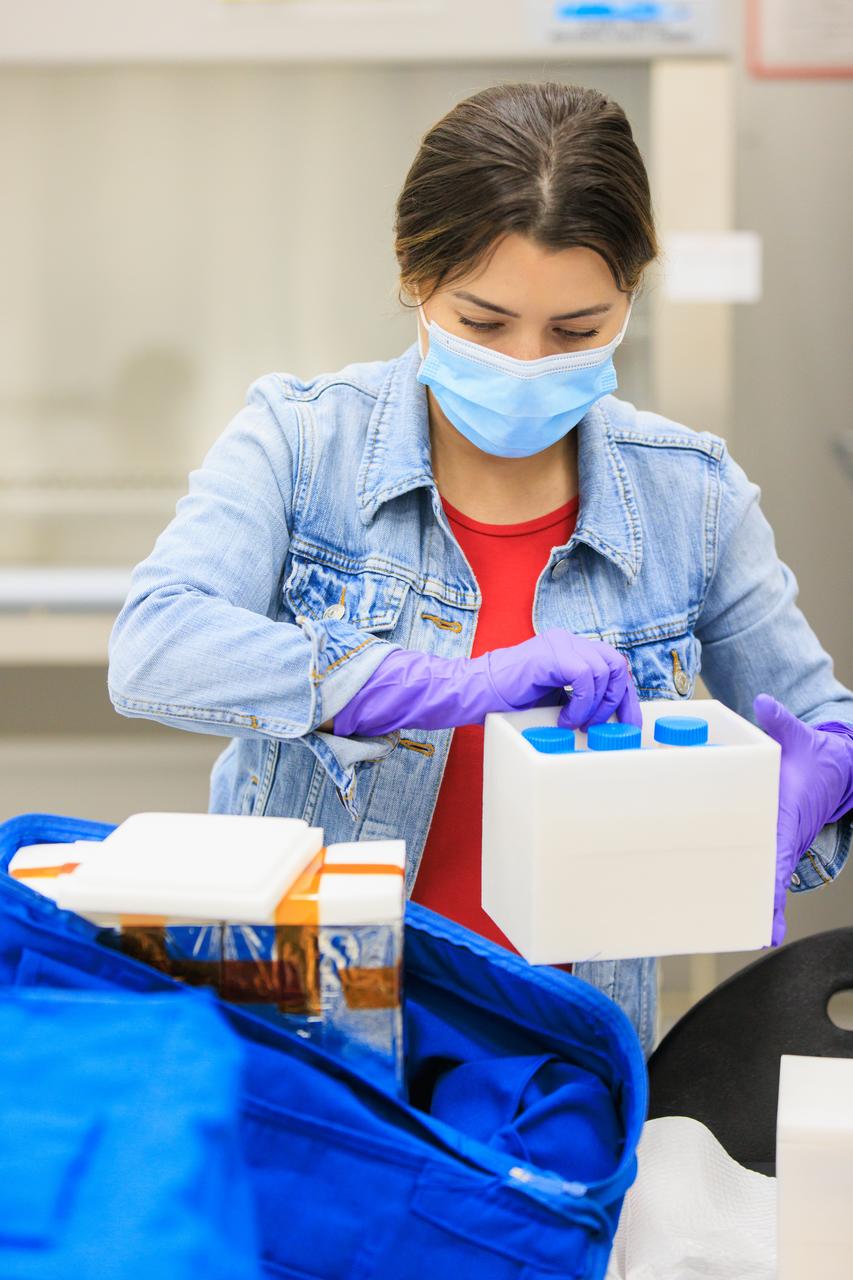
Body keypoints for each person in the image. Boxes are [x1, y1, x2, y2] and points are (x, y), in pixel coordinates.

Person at [108, 83, 853, 1056]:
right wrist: (410, 683)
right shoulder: (302, 440)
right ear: (414, 275)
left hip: (561, 1051)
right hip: (302, 1033)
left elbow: (818, 715)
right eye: (485, 321)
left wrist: (820, 777)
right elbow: (155, 643)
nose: (527, 361)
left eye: (576, 330)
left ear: (630, 295)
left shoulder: (690, 494)